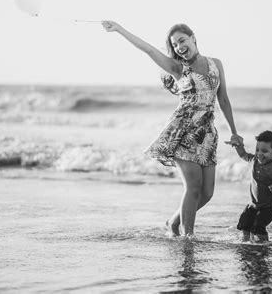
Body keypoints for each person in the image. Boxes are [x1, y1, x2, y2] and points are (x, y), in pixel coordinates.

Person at [101, 21, 243, 236]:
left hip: (207, 134)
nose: (178, 47)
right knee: (193, 187)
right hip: (183, 131)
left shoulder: (216, 64)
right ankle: (188, 238)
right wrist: (119, 29)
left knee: (207, 192)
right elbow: (148, 49)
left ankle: (173, 222)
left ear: (193, 37)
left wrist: (234, 131)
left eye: (182, 41)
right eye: (174, 45)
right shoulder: (178, 68)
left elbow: (223, 99)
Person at [227, 130, 272, 242]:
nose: (259, 153)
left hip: (270, 206)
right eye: (257, 149)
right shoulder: (254, 160)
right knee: (245, 223)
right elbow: (243, 155)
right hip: (253, 204)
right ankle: (246, 243)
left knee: (258, 225)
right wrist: (237, 145)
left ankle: (264, 244)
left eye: (264, 151)